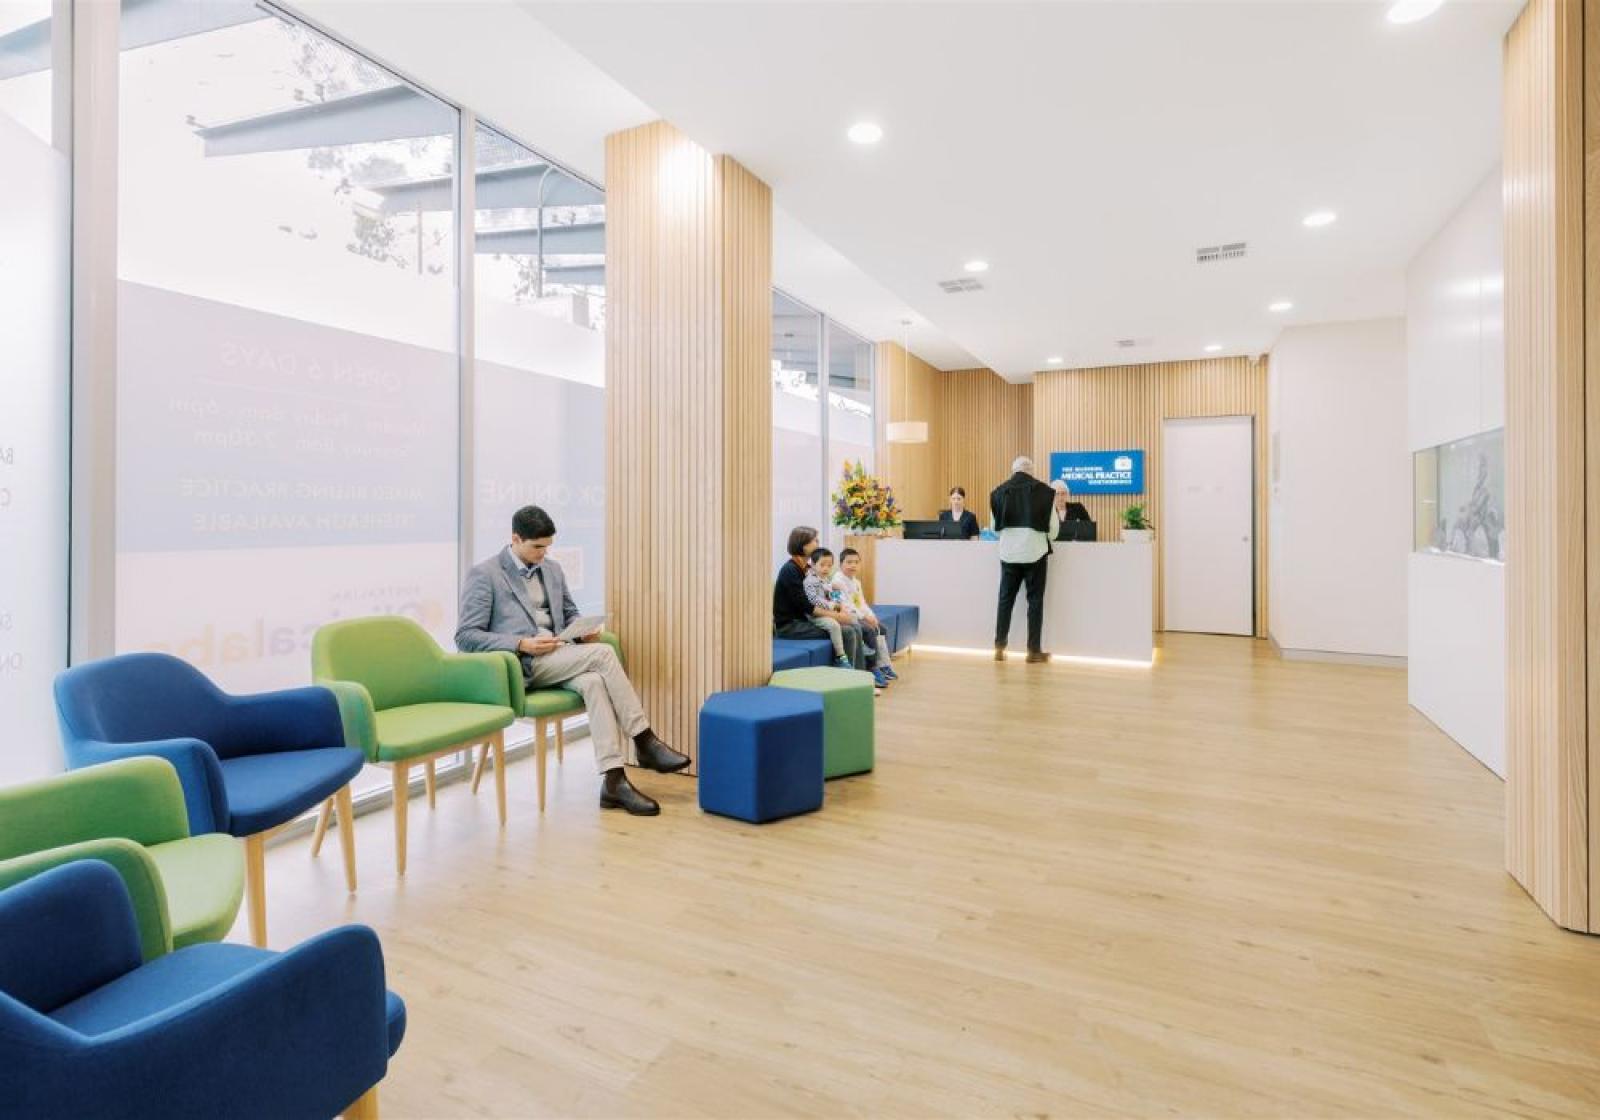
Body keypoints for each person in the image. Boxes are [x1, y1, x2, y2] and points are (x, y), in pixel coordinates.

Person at [456, 505, 689, 817]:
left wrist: (581, 631)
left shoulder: (552, 570)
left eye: (548, 546)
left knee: (593, 682)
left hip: (559, 655)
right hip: (522, 665)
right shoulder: (485, 575)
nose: (543, 554)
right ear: (515, 538)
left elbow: (568, 613)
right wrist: (521, 643)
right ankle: (644, 740)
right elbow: (466, 636)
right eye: (537, 547)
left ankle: (613, 780)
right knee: (604, 655)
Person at [989, 456, 1059, 663]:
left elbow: (994, 529)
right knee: (1035, 602)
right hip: (1035, 554)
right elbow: (1053, 531)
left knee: (1005, 601)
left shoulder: (998, 493)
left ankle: (999, 648)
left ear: (1013, 470)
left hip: (1008, 555)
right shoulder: (1046, 492)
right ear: (1031, 471)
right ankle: (1033, 651)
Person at [773, 527, 865, 670]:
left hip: (806, 619)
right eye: (815, 540)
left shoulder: (808, 568)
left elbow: (826, 590)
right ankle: (848, 675)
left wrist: (839, 608)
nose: (818, 544)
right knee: (847, 631)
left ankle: (861, 675)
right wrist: (837, 616)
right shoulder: (790, 570)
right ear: (803, 545)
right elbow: (807, 606)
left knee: (855, 626)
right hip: (791, 626)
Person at [833, 547, 897, 685]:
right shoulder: (837, 581)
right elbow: (846, 605)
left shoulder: (856, 582)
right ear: (841, 564)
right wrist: (864, 617)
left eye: (856, 562)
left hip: (858, 615)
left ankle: (883, 664)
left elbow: (862, 603)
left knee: (882, 628)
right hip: (846, 616)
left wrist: (871, 616)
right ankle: (871, 668)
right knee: (869, 630)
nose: (853, 565)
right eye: (849, 562)